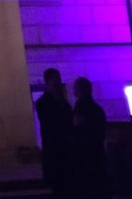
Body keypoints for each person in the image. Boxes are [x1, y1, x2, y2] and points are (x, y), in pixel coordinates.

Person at [35, 67, 74, 198]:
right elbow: (53, 123)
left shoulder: (61, 101)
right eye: (55, 80)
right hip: (55, 150)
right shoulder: (44, 103)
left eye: (58, 80)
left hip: (64, 149)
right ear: (48, 82)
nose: (58, 83)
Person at [72, 77, 109, 199]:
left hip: (85, 153)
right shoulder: (97, 108)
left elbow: (77, 126)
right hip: (97, 151)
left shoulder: (81, 106)